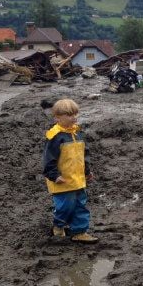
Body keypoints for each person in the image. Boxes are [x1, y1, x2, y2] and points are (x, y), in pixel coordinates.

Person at [43, 99, 98, 244]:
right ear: (57, 118)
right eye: (69, 115)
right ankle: (58, 226)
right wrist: (54, 176)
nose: (73, 117)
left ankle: (79, 231)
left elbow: (82, 156)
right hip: (63, 181)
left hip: (78, 179)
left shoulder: (77, 134)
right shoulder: (55, 137)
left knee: (81, 205)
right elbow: (49, 160)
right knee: (65, 207)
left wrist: (87, 172)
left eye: (75, 114)